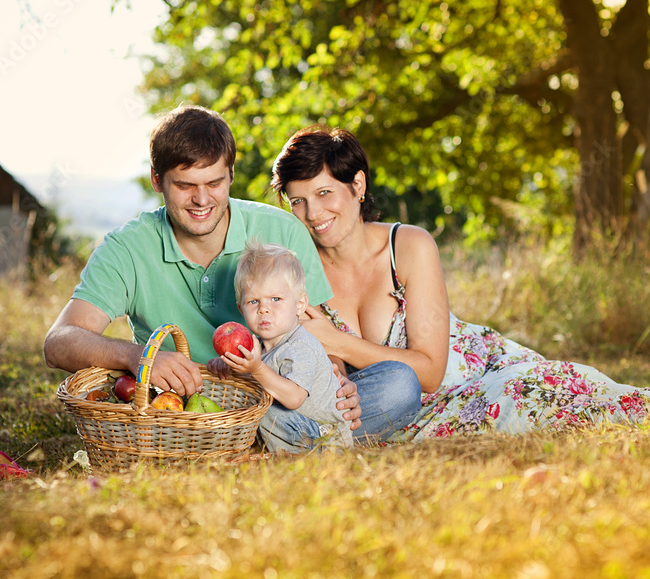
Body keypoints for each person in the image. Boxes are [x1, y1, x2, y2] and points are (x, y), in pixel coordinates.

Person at [271, 126, 650, 441]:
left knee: (571, 386)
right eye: (298, 201)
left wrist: (337, 340)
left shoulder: (408, 246)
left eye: (324, 192)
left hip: (465, 363)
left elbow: (427, 368)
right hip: (406, 408)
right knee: (523, 399)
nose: (314, 214)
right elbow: (324, 371)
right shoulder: (295, 269)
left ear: (356, 186)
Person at [43, 104, 421, 446]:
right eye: (185, 185)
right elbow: (59, 342)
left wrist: (334, 384)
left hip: (282, 394)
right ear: (158, 181)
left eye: (214, 183)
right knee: (258, 420)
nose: (202, 199)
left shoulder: (284, 231)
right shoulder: (127, 248)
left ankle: (293, 438)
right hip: (194, 411)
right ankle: (294, 442)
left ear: (232, 176)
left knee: (399, 383)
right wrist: (138, 357)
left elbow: (316, 336)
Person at [207, 240, 352, 451]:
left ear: (299, 305)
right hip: (296, 426)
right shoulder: (256, 348)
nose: (264, 309)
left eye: (275, 298)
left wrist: (256, 369)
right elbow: (255, 381)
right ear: (241, 309)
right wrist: (228, 367)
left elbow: (294, 398)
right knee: (250, 405)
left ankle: (305, 453)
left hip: (324, 434)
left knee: (263, 411)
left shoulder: (302, 345)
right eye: (253, 302)